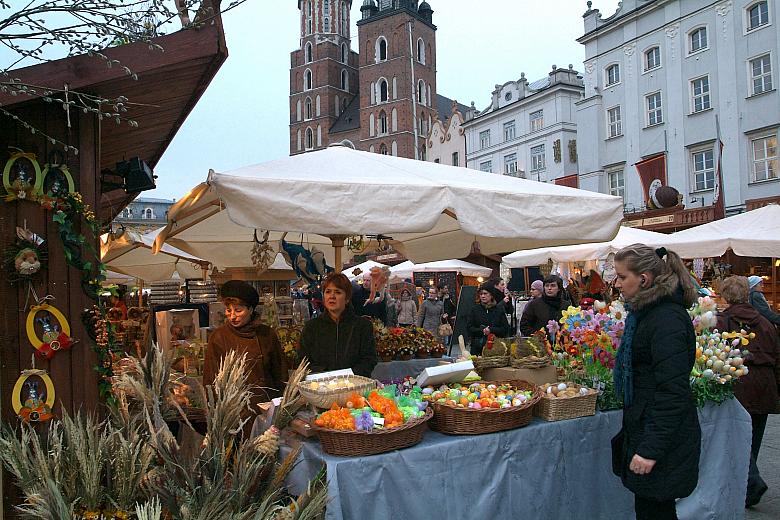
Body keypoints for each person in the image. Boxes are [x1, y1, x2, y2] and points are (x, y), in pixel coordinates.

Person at [611, 244, 700, 520]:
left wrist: (650, 449)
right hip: (647, 427)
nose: (616, 284)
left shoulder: (665, 320)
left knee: (656, 511)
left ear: (644, 279)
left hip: (661, 438)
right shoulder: (647, 314)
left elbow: (672, 391)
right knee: (651, 508)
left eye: (622, 277)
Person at [717, 276, 780, 508]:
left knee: (737, 436)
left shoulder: (723, 321)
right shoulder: (764, 322)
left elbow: (716, 352)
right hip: (764, 386)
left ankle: (751, 482)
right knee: (753, 439)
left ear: (725, 296)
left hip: (739, 383)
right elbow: (777, 357)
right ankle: (745, 485)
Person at [204, 280, 287, 403]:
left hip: (265, 405)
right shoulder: (218, 337)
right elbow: (210, 379)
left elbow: (280, 374)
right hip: (233, 409)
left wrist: (280, 404)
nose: (232, 316)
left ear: (251, 310)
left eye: (238, 311)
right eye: (228, 310)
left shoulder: (267, 334)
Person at [300, 272, 378, 377]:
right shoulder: (311, 327)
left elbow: (369, 359)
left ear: (347, 298)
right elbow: (303, 361)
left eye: (337, 292)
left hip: (354, 386)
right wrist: (325, 375)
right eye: (328, 292)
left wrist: (348, 376)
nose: (332, 296)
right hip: (320, 387)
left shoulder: (362, 326)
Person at [467, 283, 510, 355]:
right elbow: (469, 328)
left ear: (491, 295)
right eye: (481, 294)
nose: (483, 296)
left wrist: (491, 330)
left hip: (496, 349)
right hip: (478, 349)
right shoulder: (474, 310)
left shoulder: (498, 310)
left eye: (485, 293)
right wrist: (482, 330)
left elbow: (505, 329)